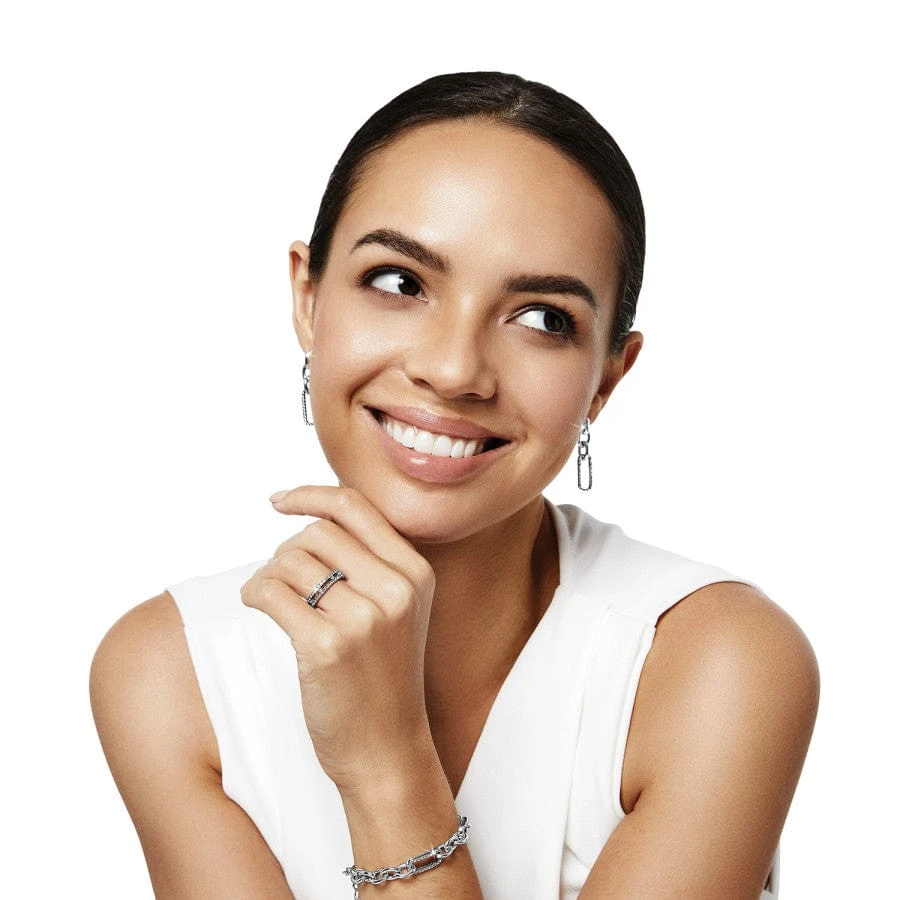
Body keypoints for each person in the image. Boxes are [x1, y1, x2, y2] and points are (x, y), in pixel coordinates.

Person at [89, 71, 819, 898]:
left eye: (542, 318)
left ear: (607, 380)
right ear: (307, 296)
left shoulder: (715, 662)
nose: (452, 368)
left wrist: (384, 760)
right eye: (400, 282)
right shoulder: (173, 673)